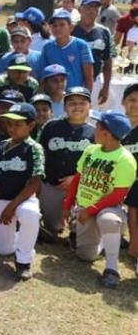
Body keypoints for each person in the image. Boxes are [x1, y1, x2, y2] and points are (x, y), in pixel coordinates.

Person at [64, 111, 136, 289]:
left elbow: (118, 195)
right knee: (85, 256)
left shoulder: (125, 159)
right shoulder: (91, 150)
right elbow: (77, 179)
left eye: (97, 127)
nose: (94, 130)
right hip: (85, 207)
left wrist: (90, 210)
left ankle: (111, 269)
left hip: (108, 208)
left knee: (108, 220)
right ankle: (104, 241)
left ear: (106, 133)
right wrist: (67, 205)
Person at [0, 103, 44, 281]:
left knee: (30, 213)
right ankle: (27, 236)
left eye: (18, 124)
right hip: (3, 199)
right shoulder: (2, 145)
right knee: (4, 250)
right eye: (10, 123)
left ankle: (23, 262)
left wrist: (12, 207)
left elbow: (35, 182)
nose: (12, 128)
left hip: (23, 199)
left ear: (31, 125)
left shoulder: (33, 148)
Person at [37, 86, 93, 238]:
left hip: (82, 188)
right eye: (72, 102)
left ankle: (77, 229)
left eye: (82, 102)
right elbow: (40, 154)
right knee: (54, 226)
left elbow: (97, 165)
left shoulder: (95, 132)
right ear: (64, 106)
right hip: (54, 184)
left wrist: (76, 178)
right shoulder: (51, 126)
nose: (77, 107)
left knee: (80, 228)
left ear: (90, 106)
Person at [71, 0, 114, 105]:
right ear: (80, 9)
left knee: (89, 115)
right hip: (72, 81)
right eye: (88, 7)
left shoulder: (104, 32)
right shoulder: (71, 29)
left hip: (95, 82)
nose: (92, 11)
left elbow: (108, 61)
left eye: (95, 8)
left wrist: (106, 87)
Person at [39, 9, 94, 91]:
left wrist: (86, 96)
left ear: (71, 27)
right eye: (54, 25)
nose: (58, 28)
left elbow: (89, 76)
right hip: (54, 95)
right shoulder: (47, 47)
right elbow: (43, 74)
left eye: (62, 25)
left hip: (75, 95)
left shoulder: (81, 45)